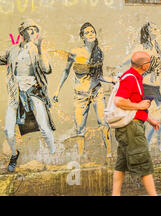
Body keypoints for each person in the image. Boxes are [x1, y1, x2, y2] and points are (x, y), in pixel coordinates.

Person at [0, 19, 56, 172]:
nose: (32, 32)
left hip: (34, 92)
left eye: (34, 29)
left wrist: (39, 50)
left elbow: (46, 69)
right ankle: (14, 154)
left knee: (44, 127)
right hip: (15, 94)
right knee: (8, 131)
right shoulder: (12, 50)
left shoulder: (38, 50)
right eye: (29, 29)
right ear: (22, 32)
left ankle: (53, 154)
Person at [53, 22, 113, 157]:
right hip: (80, 95)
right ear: (82, 37)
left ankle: (109, 154)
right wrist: (57, 90)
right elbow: (65, 72)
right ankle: (80, 157)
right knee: (79, 127)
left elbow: (99, 75)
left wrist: (113, 80)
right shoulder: (75, 53)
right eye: (87, 32)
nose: (91, 34)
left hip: (97, 92)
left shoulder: (99, 52)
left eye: (92, 31)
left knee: (103, 122)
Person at [112, 51, 161, 196]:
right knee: (144, 163)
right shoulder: (131, 79)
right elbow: (119, 100)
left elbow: (132, 105)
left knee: (121, 165)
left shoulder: (134, 77)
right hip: (131, 129)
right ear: (144, 66)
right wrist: (140, 106)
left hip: (128, 127)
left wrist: (150, 120)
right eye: (149, 62)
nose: (150, 64)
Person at [119, 22, 161, 151]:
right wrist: (119, 70)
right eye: (153, 28)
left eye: (157, 27)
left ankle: (158, 143)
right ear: (147, 32)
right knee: (155, 117)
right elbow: (127, 60)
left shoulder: (158, 47)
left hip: (156, 88)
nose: (157, 29)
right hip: (146, 86)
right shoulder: (141, 47)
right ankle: (144, 146)